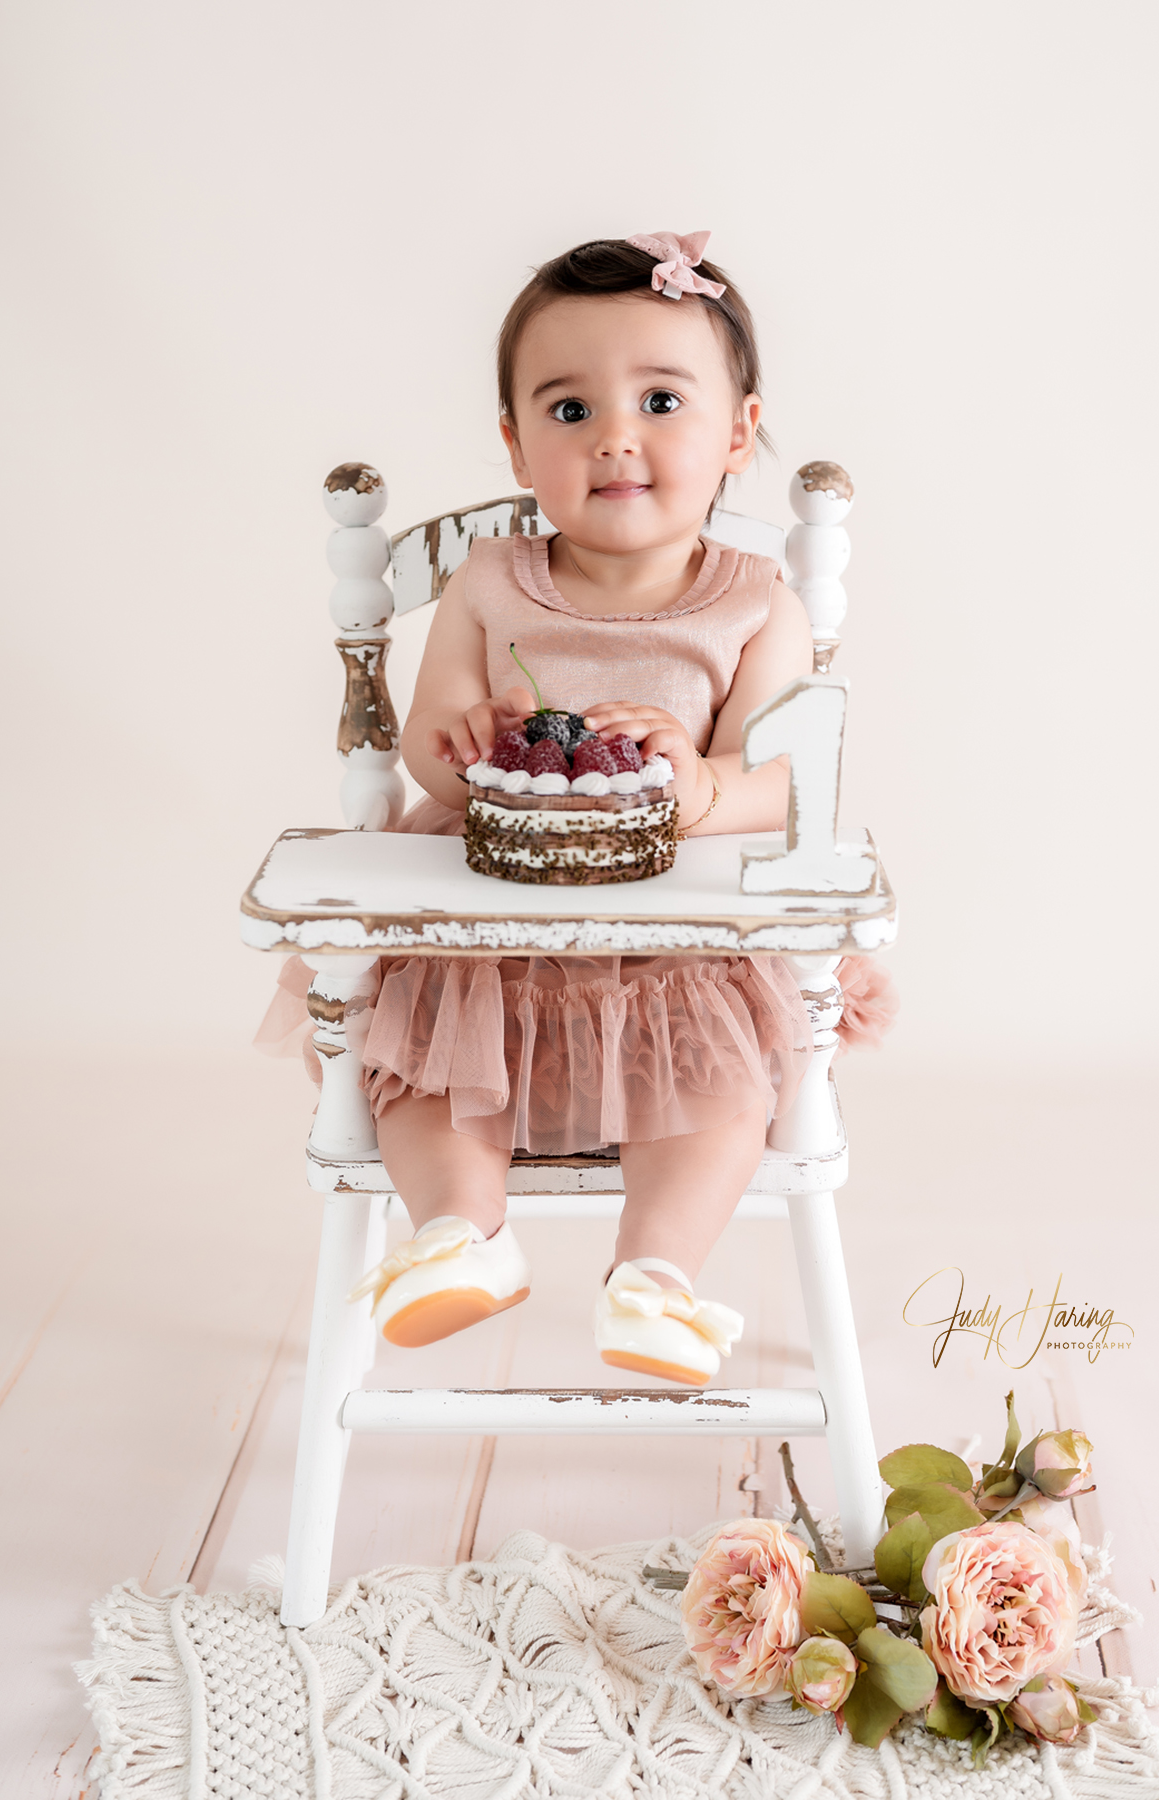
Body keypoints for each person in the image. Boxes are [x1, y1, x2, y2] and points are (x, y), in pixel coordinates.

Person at [260, 233, 896, 1387]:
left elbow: (786, 778)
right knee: (416, 1064)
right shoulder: (489, 582)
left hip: (675, 944)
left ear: (739, 432)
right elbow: (431, 739)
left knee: (720, 1088)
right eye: (568, 409)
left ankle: (655, 1275)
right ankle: (460, 1232)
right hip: (486, 931)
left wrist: (700, 784)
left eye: (660, 400)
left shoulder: (757, 602)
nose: (614, 435)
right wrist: (463, 743)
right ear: (514, 441)